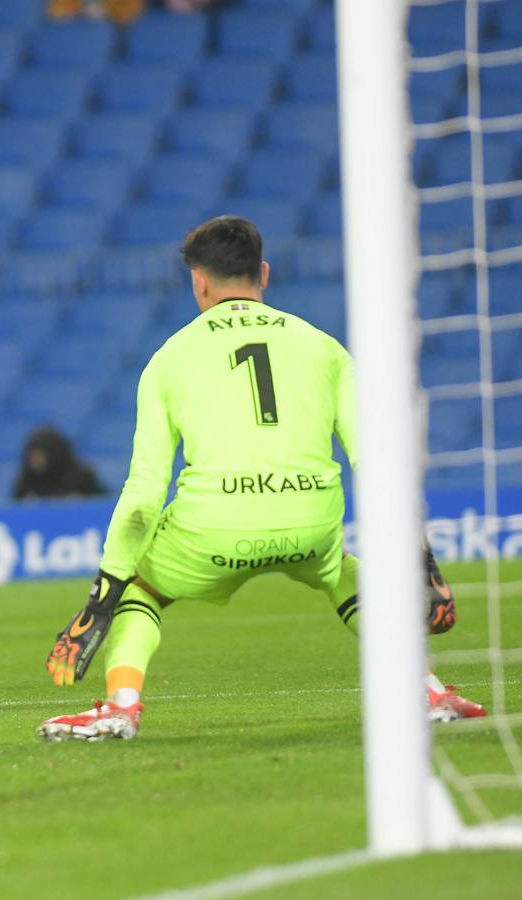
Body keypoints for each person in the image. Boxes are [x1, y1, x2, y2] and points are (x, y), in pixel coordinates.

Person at [38, 216, 484, 741]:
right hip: (311, 523)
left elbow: (143, 493)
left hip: (212, 533)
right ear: (263, 274)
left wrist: (100, 602)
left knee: (144, 589)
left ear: (199, 281)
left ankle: (121, 707)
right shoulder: (324, 348)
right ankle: (427, 691)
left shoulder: (168, 359)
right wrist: (423, 562)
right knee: (340, 570)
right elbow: (378, 462)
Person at [11, 425, 104, 501]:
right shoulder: (26, 481)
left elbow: (103, 502)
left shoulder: (81, 477)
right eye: (32, 456)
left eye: (39, 455)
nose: (35, 460)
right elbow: (13, 506)